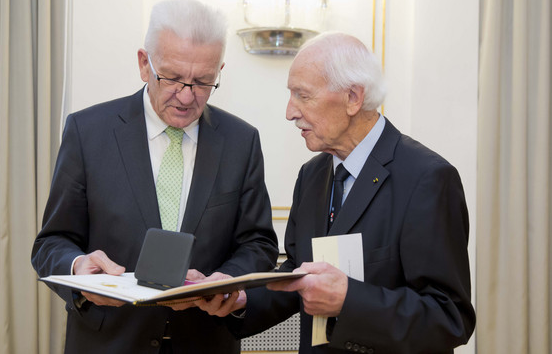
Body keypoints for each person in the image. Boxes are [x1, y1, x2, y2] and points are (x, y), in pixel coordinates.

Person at [194, 32, 476, 353]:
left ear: (353, 97)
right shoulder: (312, 174)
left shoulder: (428, 178)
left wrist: (349, 301)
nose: (290, 112)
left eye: (303, 95)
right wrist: (241, 297)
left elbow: (449, 316)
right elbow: (297, 272)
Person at [31, 0, 278, 354]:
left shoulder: (242, 141)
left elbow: (258, 243)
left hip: (205, 341)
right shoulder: (88, 132)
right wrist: (77, 266)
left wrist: (226, 281)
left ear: (219, 71)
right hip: (108, 341)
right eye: (173, 78)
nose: (186, 96)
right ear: (144, 63)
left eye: (203, 81)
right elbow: (51, 243)